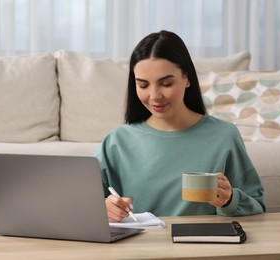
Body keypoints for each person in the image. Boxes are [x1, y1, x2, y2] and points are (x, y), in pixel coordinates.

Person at [94, 30, 265, 222]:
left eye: (166, 83)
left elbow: (257, 204)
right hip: (138, 249)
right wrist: (104, 208)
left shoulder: (224, 136)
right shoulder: (117, 141)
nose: (154, 96)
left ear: (187, 78)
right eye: (143, 85)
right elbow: (82, 204)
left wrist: (229, 200)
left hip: (201, 248)